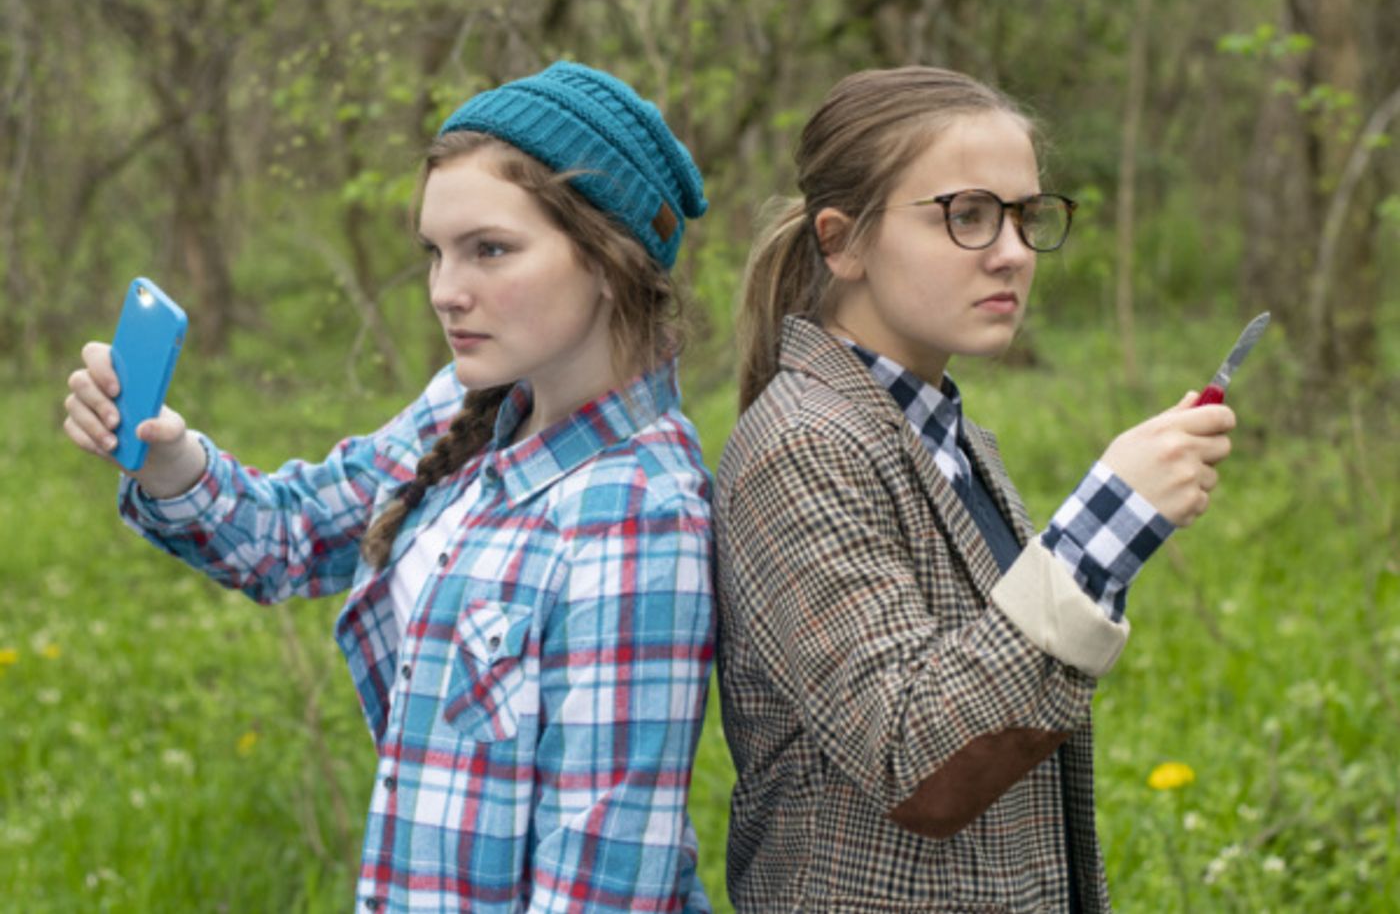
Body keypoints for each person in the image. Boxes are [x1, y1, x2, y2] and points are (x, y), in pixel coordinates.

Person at [63, 61, 716, 913]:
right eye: (435, 253)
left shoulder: (638, 513)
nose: (446, 291)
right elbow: (293, 537)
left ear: (608, 257)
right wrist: (166, 457)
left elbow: (603, 877)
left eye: (490, 249)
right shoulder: (473, 404)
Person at [713, 66, 1236, 912]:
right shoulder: (805, 445)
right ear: (841, 241)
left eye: (1026, 216)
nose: (1013, 252)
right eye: (966, 214)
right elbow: (915, 759)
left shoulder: (944, 436)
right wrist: (1107, 524)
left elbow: (1005, 716)